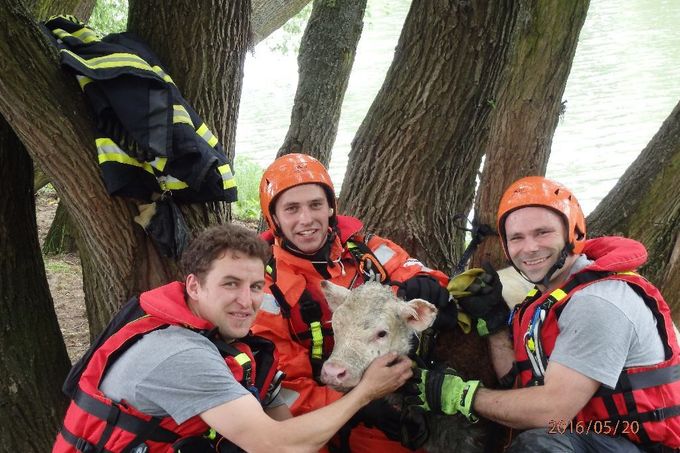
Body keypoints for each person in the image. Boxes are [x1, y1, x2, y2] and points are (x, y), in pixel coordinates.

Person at [53, 224, 412, 453]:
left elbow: (287, 433)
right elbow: (276, 446)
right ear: (193, 285)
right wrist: (365, 394)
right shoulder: (180, 353)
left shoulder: (231, 342)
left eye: (256, 286)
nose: (247, 301)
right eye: (230, 284)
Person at [406, 176, 680, 452]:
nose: (530, 248)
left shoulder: (597, 302)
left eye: (542, 233)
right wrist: (495, 325)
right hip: (594, 436)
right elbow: (523, 387)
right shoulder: (547, 297)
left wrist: (460, 395)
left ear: (574, 233)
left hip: (643, 445)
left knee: (537, 445)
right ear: (506, 246)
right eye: (517, 238)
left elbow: (551, 412)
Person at [252, 153, 456, 452]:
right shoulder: (267, 288)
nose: (306, 219)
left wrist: (428, 283)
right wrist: (359, 404)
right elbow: (285, 389)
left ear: (331, 208)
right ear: (275, 219)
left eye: (315, 205)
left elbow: (417, 272)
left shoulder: (365, 251)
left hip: (395, 390)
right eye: (292, 209)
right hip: (325, 416)